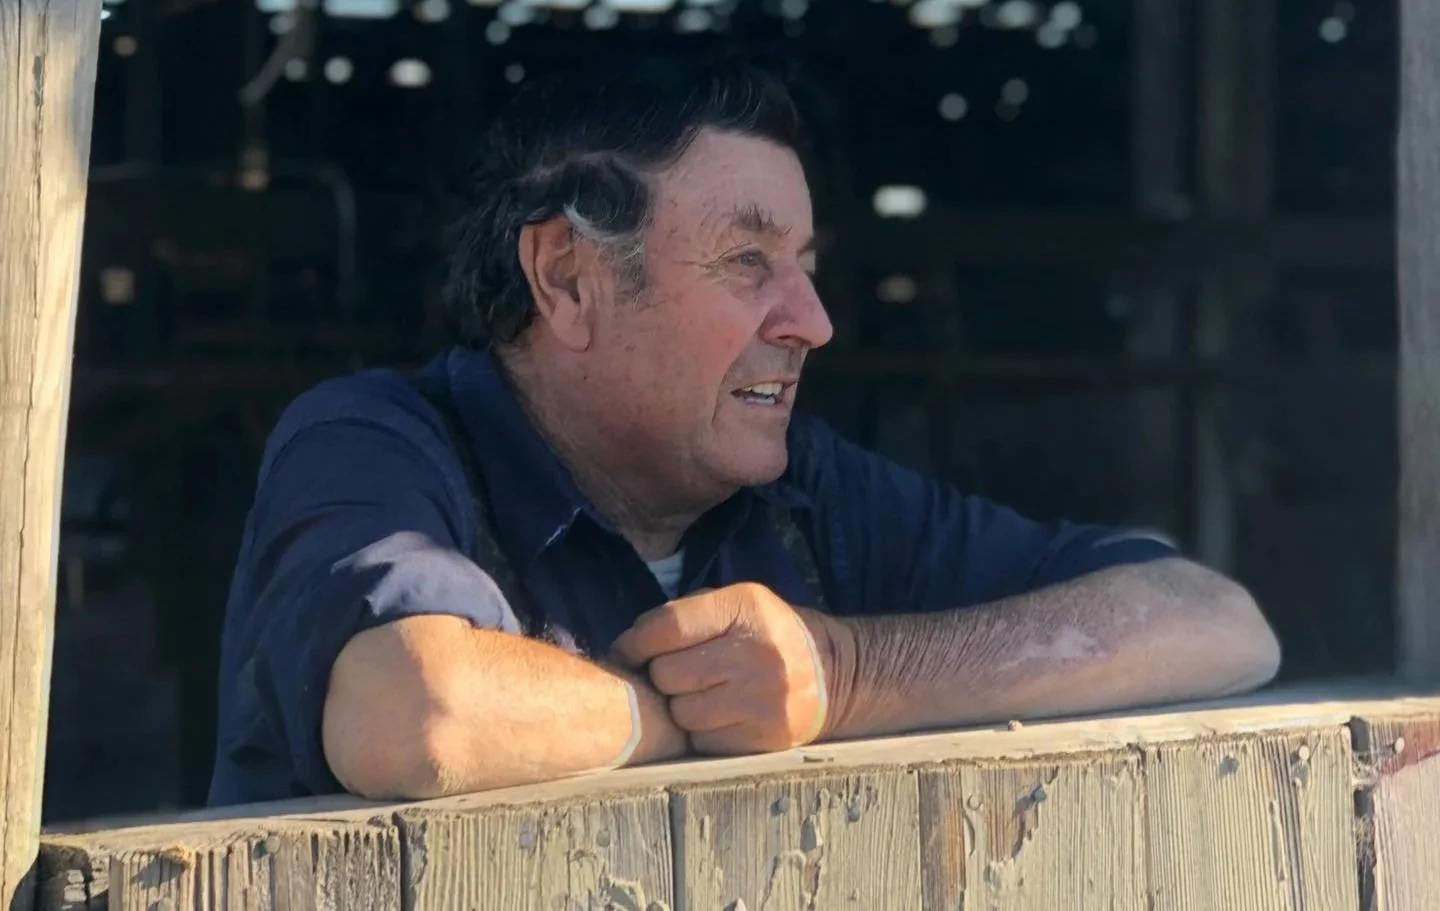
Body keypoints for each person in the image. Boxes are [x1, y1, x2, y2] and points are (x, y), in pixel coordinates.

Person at [207, 53, 1281, 807]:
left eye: (805, 265)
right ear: (568, 280)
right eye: (746, 262)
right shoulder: (377, 437)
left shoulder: (802, 491)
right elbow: (418, 710)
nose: (810, 321)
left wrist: (847, 672)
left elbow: (1218, 623)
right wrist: (690, 716)